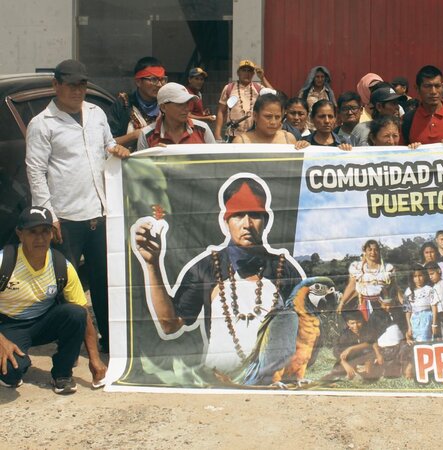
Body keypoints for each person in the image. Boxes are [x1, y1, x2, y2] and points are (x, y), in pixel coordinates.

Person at [131, 175, 306, 377]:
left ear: (266, 221)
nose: (247, 224)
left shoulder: (284, 270)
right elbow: (170, 325)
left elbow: (305, 329)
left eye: (255, 215)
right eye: (238, 215)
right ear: (226, 221)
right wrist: (152, 264)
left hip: (273, 382)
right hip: (220, 381)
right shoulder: (206, 268)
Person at [26, 59, 130, 354]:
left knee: (105, 282)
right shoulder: (42, 124)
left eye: (82, 85)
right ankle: (69, 348)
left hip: (100, 212)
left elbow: (107, 145)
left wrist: (117, 149)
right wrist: (49, 215)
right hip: (66, 217)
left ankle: (110, 343)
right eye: (71, 85)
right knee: (67, 286)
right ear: (56, 85)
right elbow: (35, 171)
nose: (77, 91)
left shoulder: (96, 113)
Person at [0, 207, 106, 393]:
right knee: (11, 374)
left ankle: (62, 374)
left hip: (44, 322)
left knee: (76, 313)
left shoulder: (61, 266)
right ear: (20, 234)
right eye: (32, 232)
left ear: (52, 234)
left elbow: (84, 314)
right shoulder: (4, 261)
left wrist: (95, 359)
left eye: (45, 231)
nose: (40, 238)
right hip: (10, 325)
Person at [136, 83, 216, 150]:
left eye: (187, 103)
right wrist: (152, 156)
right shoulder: (146, 135)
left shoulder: (203, 129)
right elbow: (141, 164)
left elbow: (215, 159)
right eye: (180, 104)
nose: (187, 108)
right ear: (163, 107)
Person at [109, 56, 166, 149]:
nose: (160, 84)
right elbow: (108, 142)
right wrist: (135, 136)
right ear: (138, 82)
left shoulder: (167, 105)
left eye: (162, 79)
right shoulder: (123, 104)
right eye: (154, 79)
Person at [402, 65, 443, 145]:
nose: (433, 92)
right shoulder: (407, 121)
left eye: (437, 86)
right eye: (427, 86)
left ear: (442, 87)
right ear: (417, 88)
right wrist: (411, 149)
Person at [338, 240, 396, 321]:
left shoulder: (386, 268)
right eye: (370, 250)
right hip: (363, 304)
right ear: (365, 251)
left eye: (376, 250)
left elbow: (394, 288)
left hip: (382, 305)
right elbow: (351, 286)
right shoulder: (358, 268)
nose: (373, 252)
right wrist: (342, 303)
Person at [214, 60, 271, 140]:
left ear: (253, 74)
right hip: (233, 134)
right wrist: (217, 134)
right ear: (238, 73)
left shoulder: (258, 88)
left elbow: (274, 95)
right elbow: (221, 111)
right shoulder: (229, 88)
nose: (247, 73)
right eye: (244, 70)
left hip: (253, 134)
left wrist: (262, 78)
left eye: (249, 71)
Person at [325, 312, 380, 381]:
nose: (355, 326)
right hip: (351, 359)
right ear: (348, 324)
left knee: (370, 375)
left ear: (362, 321)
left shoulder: (369, 330)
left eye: (358, 322)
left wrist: (351, 348)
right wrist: (345, 363)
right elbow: (337, 351)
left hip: (367, 358)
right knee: (336, 371)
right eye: (352, 323)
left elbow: (371, 343)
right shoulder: (344, 335)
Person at [232, 94, 297, 144]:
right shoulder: (241, 142)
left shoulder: (288, 139)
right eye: (268, 117)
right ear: (255, 116)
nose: (273, 122)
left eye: (277, 117)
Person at [403, 264, 439, 343]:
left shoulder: (429, 289)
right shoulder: (408, 291)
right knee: (416, 340)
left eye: (420, 276)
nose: (418, 279)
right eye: (415, 276)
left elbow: (434, 307)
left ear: (424, 276)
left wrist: (434, 324)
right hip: (414, 319)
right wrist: (409, 327)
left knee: (425, 340)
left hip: (427, 318)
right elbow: (408, 311)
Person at [298, 66, 336, 132]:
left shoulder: (329, 93)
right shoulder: (305, 93)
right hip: (308, 128)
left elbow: (334, 109)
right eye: (317, 77)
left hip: (324, 127)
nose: (320, 79)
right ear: (313, 78)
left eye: (322, 77)